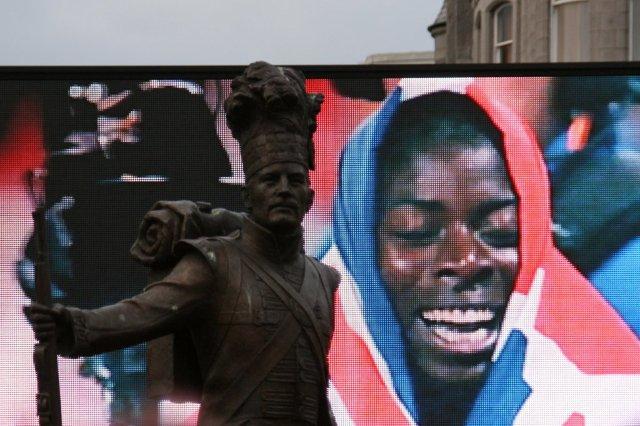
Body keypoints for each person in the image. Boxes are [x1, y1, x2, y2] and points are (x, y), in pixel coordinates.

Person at [23, 61, 340, 425]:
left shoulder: (322, 279)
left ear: (309, 193)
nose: (284, 190)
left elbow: (313, 390)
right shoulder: (214, 261)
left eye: (294, 180)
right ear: (250, 192)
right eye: (271, 180)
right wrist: (69, 324)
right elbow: (139, 316)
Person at [324, 79, 640, 425]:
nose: (467, 261)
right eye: (416, 231)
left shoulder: (613, 400)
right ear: (360, 248)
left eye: (501, 232)